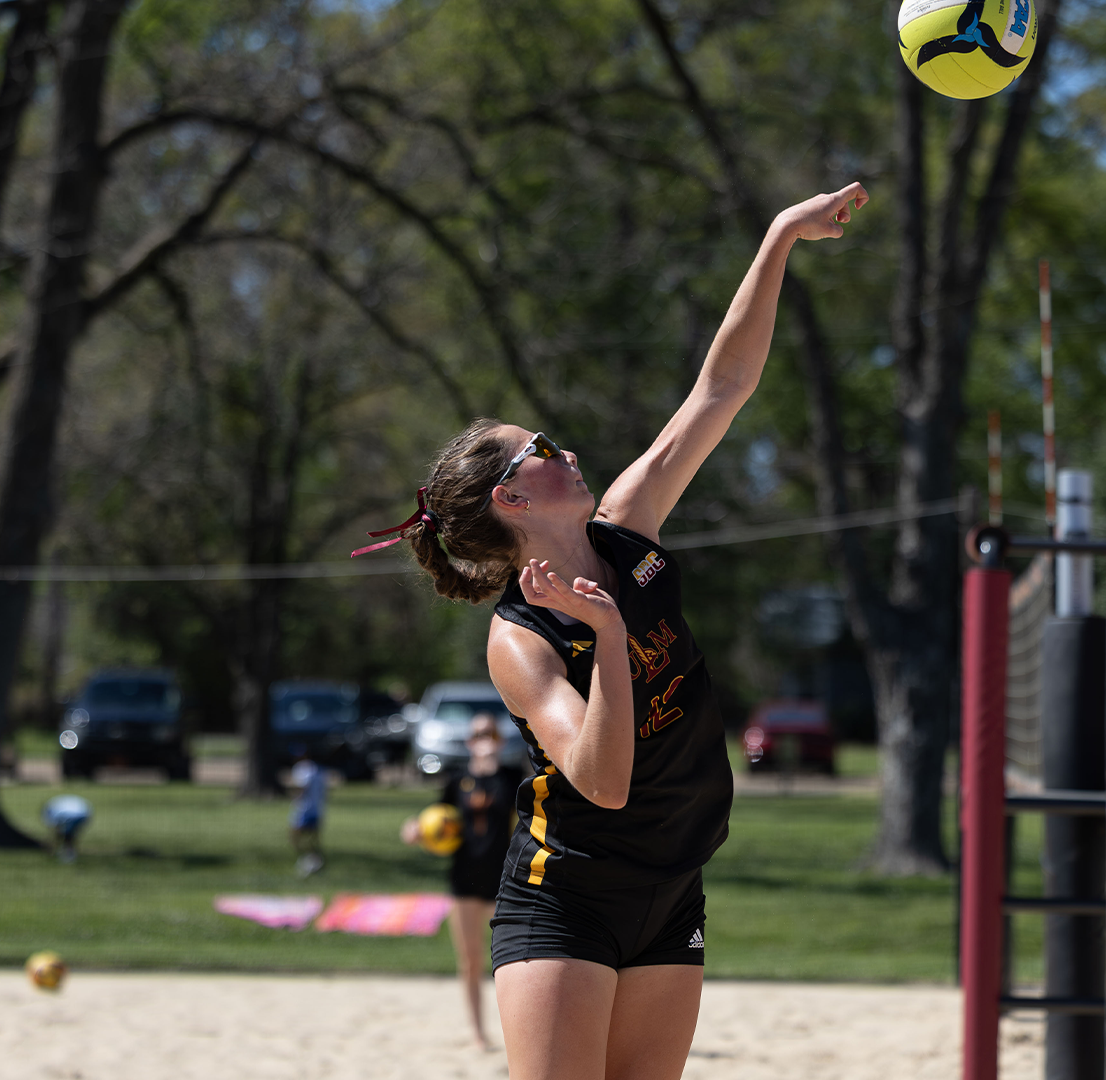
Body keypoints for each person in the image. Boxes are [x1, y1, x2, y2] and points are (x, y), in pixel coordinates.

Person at [353, 182, 867, 1080]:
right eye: (542, 449)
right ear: (512, 498)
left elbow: (724, 387)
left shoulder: (626, 530)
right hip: (569, 899)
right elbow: (603, 781)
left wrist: (779, 237)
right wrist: (612, 642)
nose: (568, 450)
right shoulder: (521, 641)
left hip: (672, 887)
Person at [401, 712, 524, 1050]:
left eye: (490, 734)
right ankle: (478, 1033)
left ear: (499, 741)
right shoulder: (456, 782)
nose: (484, 740)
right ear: (470, 743)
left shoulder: (512, 778)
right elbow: (435, 823)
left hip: (505, 881)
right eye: (478, 735)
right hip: (465, 879)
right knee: (470, 960)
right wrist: (414, 831)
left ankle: (519, 1035)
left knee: (513, 963)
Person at [289, 753, 329, 877]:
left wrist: (294, 796)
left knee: (294, 835)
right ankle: (316, 859)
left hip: (304, 809)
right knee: (313, 838)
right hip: (317, 809)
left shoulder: (302, 769)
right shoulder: (318, 770)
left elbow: (303, 787)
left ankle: (305, 859)